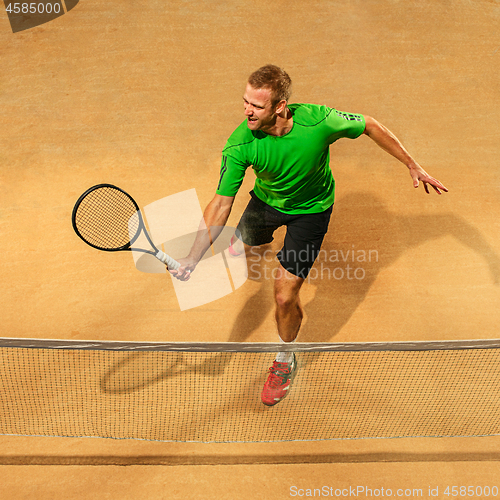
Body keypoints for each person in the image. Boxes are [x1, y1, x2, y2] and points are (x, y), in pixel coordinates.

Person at [169, 64, 448, 406]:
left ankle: (285, 358)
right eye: (245, 102)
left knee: (285, 296)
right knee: (246, 239)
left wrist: (411, 163)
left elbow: (369, 125)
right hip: (267, 202)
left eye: (256, 106)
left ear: (280, 106)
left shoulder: (319, 121)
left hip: (311, 212)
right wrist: (193, 258)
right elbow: (220, 203)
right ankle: (254, 242)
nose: (246, 111)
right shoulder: (240, 144)